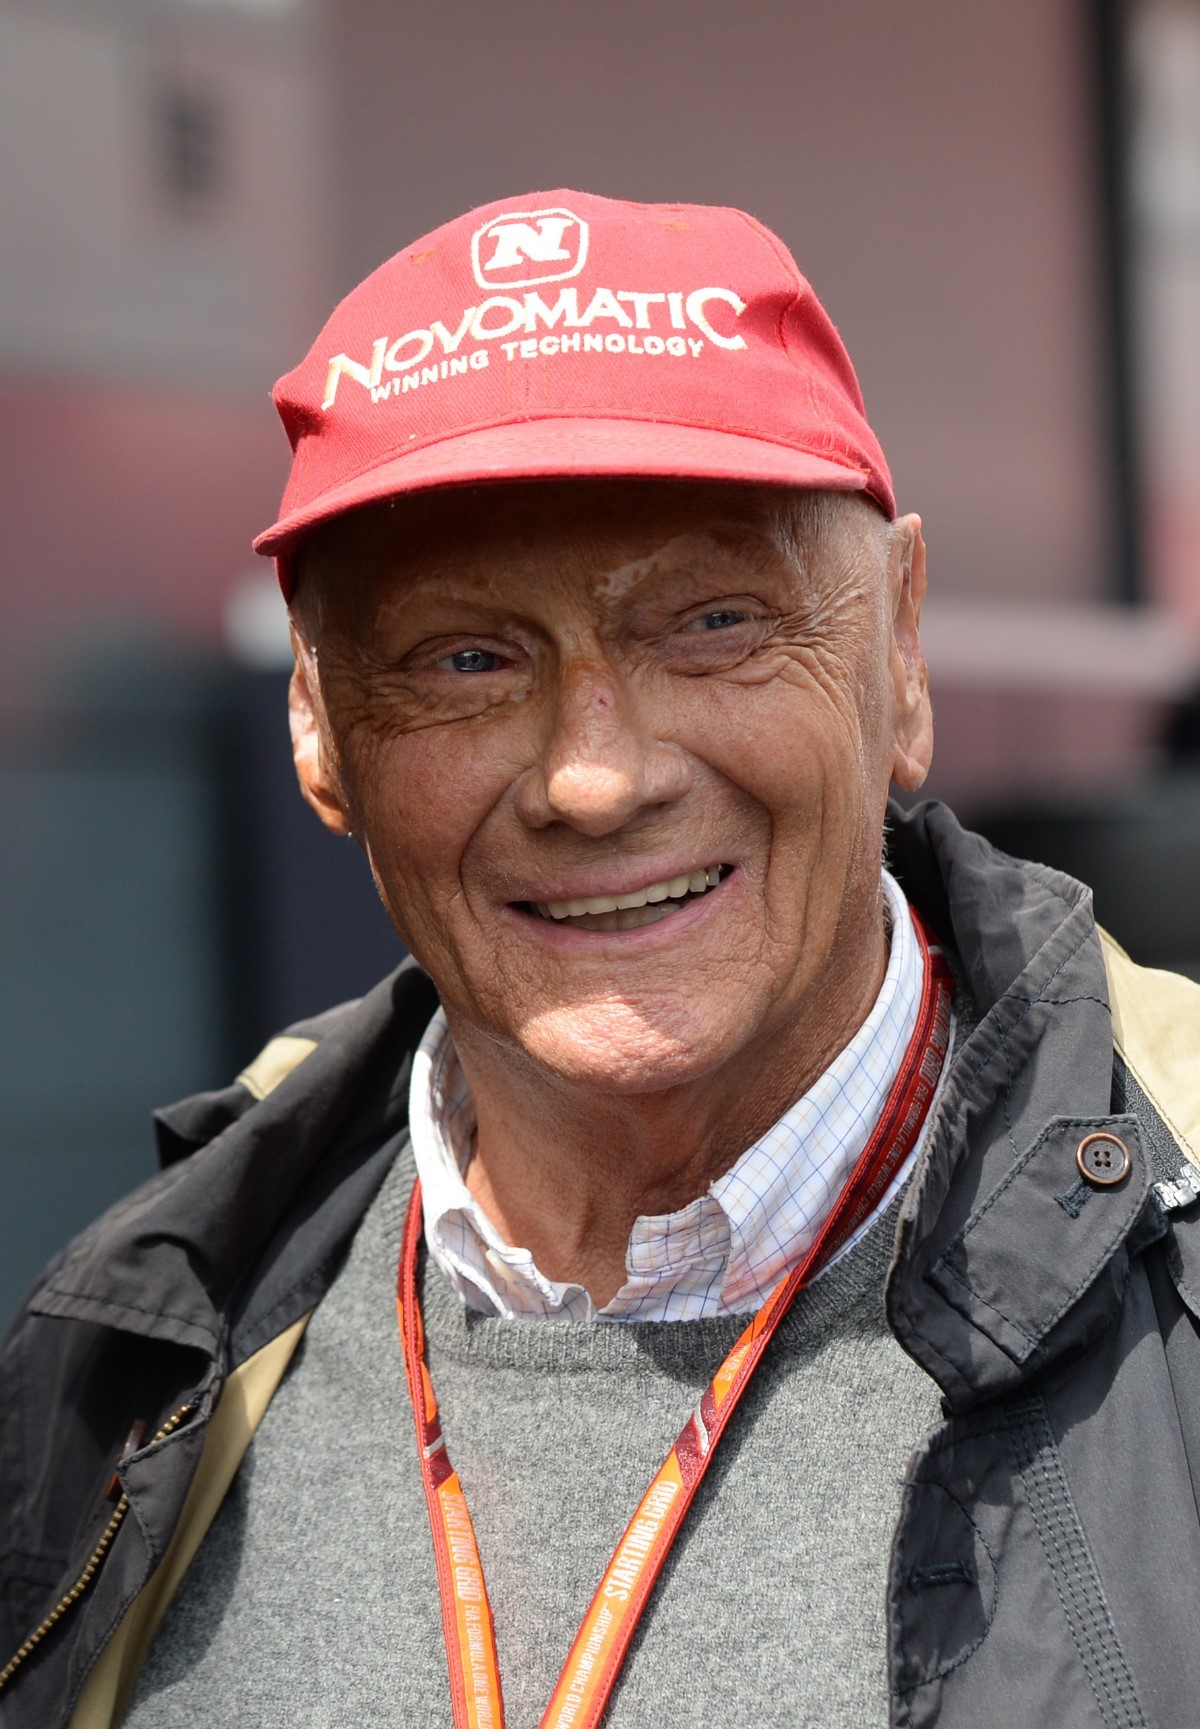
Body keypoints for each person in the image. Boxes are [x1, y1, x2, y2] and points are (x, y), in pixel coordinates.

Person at [3, 189, 1200, 1729]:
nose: (594, 776)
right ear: (318, 722)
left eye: (710, 620)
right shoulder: (141, 1331)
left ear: (900, 647)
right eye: (467, 657)